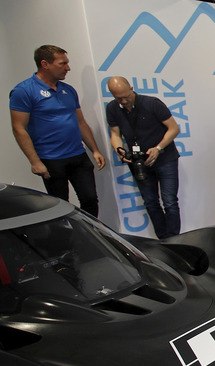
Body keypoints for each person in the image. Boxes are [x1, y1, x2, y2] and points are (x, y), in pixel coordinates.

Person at [9, 45, 106, 216]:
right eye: (63, 64)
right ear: (45, 64)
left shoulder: (68, 90)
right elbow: (19, 128)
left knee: (90, 200)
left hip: (78, 156)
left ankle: (89, 239)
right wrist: (35, 161)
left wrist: (95, 150)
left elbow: (81, 122)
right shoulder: (24, 91)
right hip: (51, 159)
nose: (68, 68)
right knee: (59, 207)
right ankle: (67, 240)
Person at [105, 76, 181, 239]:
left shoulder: (152, 103)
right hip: (138, 161)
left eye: (126, 96)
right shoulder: (112, 108)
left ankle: (175, 239)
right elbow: (115, 134)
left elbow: (174, 129)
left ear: (132, 88)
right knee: (151, 202)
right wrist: (119, 149)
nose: (124, 101)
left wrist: (158, 148)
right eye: (119, 98)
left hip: (165, 158)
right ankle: (163, 239)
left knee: (170, 202)